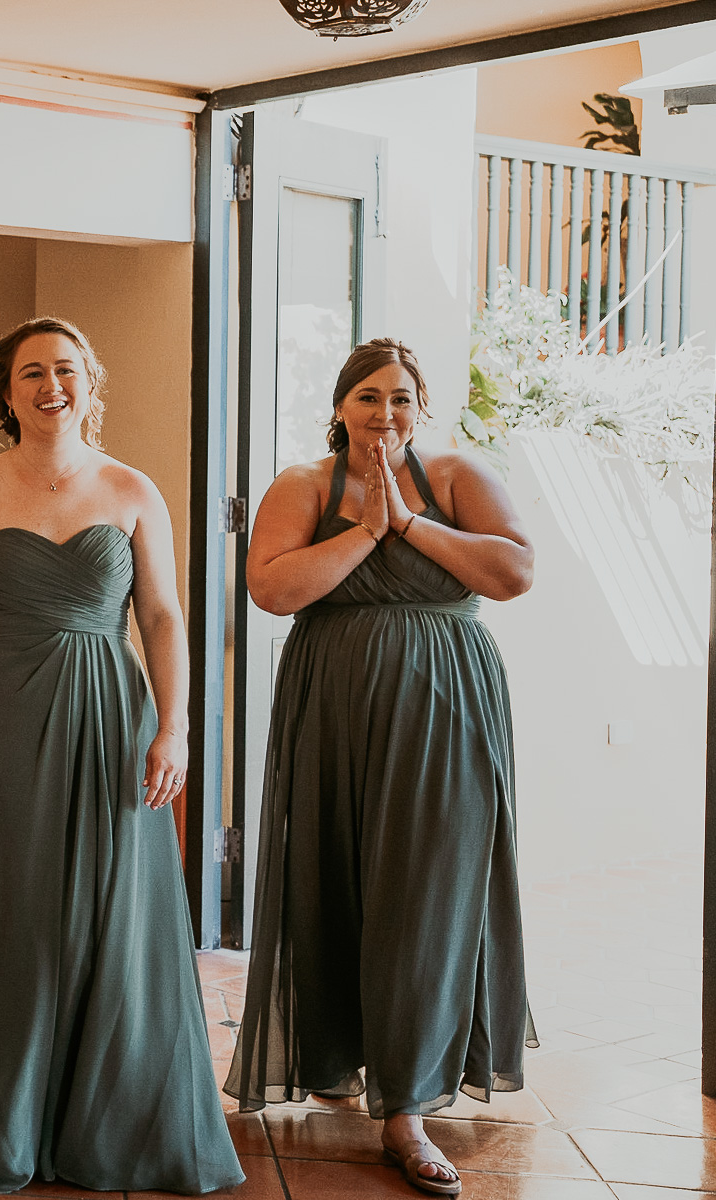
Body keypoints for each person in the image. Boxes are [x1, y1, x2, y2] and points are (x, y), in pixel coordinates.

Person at [0, 316, 244, 1195]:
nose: (52, 385)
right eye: (32, 373)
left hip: (113, 721)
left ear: (92, 382)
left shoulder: (131, 491)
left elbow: (162, 616)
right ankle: (10, 1137)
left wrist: (177, 726)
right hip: (3, 719)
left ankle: (107, 1128)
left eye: (67, 370)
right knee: (11, 923)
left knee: (112, 919)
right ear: (5, 393)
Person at [224, 338, 535, 1196]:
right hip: (334, 709)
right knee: (335, 877)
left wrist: (410, 524)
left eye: (401, 398)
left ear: (422, 407)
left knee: (427, 892)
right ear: (338, 407)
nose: (384, 414)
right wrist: (365, 529)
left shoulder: (461, 475)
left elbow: (513, 571)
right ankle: (338, 1052)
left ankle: (408, 1109)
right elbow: (275, 588)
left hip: (447, 715)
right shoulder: (302, 486)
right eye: (367, 397)